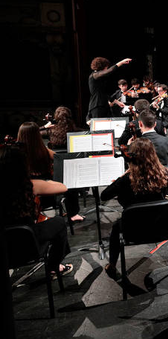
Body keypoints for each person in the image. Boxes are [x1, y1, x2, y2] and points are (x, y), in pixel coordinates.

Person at [101, 138, 168, 279]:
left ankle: (112, 265)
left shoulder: (126, 179)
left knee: (116, 227)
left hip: (134, 230)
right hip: (164, 227)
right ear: (153, 154)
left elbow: (104, 196)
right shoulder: (164, 174)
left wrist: (122, 176)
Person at [1, 145, 73, 278]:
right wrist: (46, 181)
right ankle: (53, 266)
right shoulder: (29, 186)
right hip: (28, 246)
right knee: (58, 222)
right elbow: (63, 187)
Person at [18, 122, 84, 222]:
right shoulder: (43, 150)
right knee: (70, 185)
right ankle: (73, 213)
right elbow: (59, 159)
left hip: (26, 194)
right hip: (49, 195)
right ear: (37, 135)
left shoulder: (16, 152)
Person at [87, 57, 131, 121]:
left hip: (104, 105)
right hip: (97, 106)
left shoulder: (99, 79)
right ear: (102, 67)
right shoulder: (93, 76)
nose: (107, 68)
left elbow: (104, 94)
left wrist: (117, 102)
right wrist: (121, 62)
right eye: (106, 67)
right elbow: (109, 71)